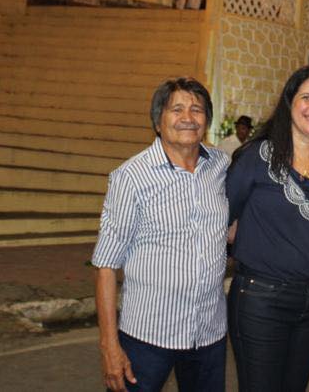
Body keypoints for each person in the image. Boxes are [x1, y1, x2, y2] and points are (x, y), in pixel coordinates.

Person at [92, 78, 230, 392]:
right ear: (158, 122)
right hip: (148, 336)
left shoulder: (220, 166)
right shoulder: (131, 177)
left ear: (206, 121)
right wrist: (109, 346)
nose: (188, 117)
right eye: (176, 109)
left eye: (197, 109)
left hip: (208, 334)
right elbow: (105, 265)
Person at [227, 65, 309, 391]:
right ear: (290, 102)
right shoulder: (257, 157)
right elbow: (222, 218)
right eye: (306, 97)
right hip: (259, 299)